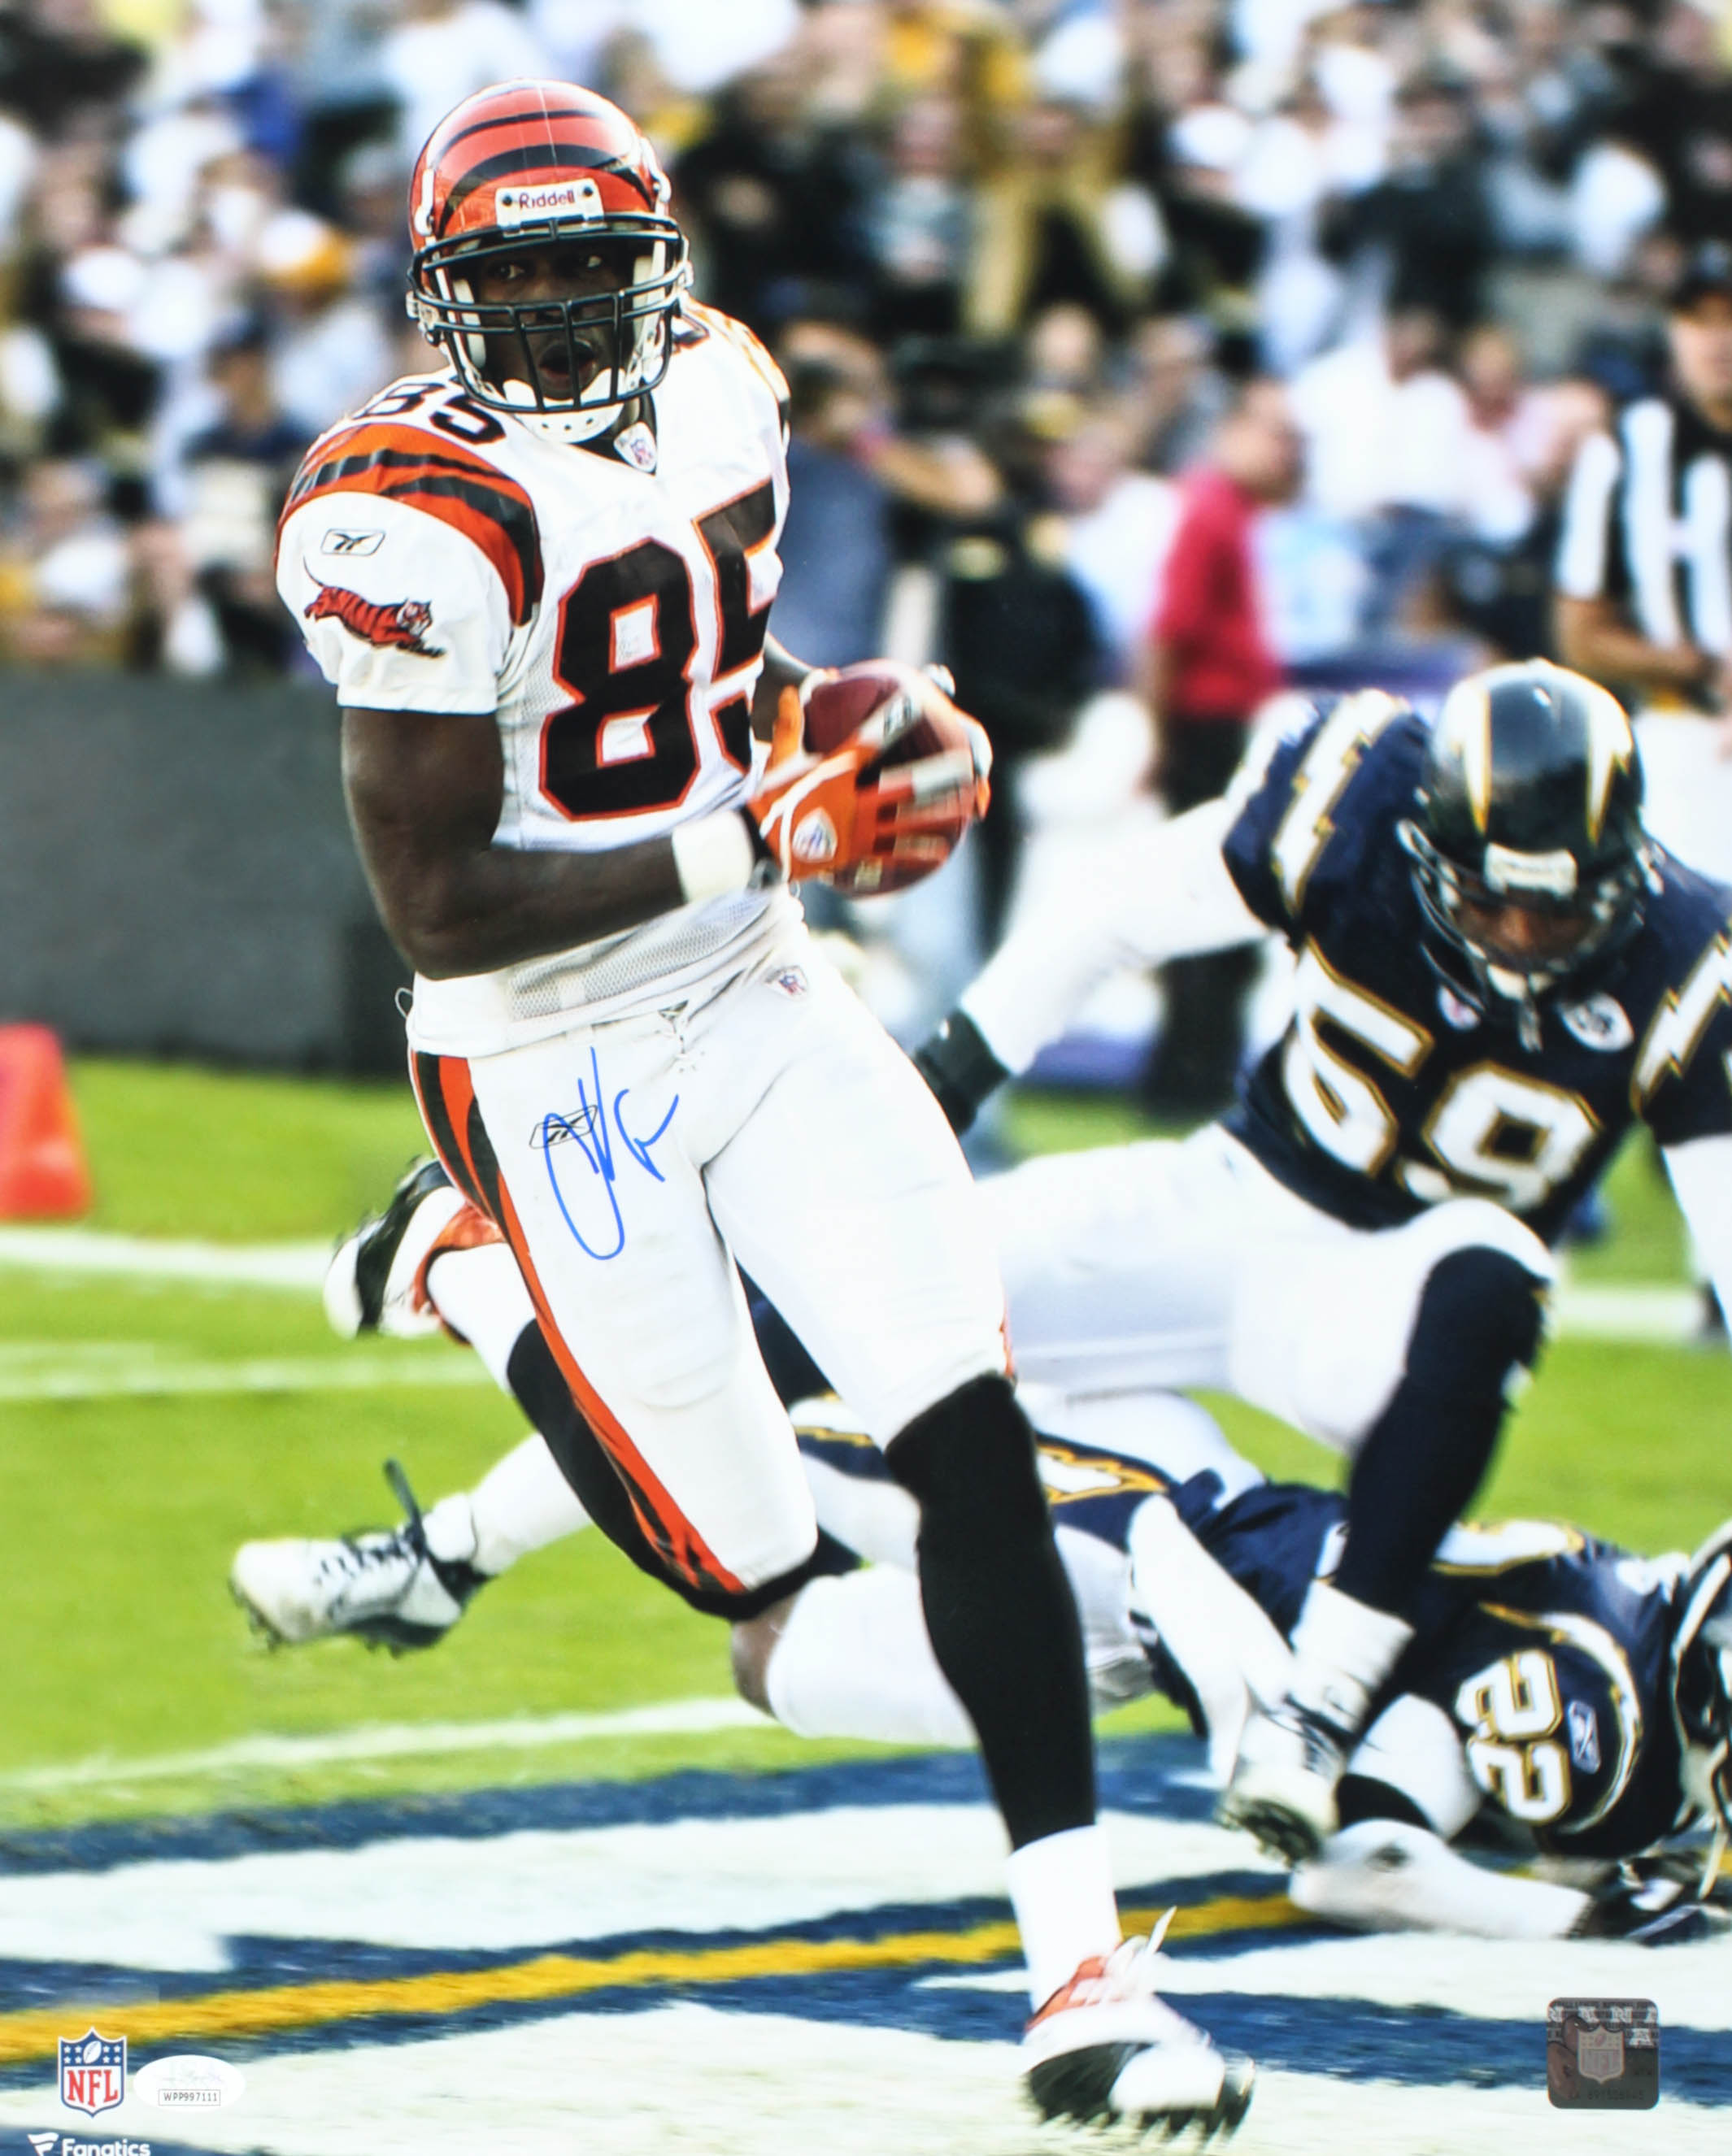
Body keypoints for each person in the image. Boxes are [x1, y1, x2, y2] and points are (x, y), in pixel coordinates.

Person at [270, 80, 1251, 2137]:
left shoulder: (721, 388)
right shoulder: (400, 510)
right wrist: (765, 830)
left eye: (586, 273)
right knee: (745, 1567)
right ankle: (466, 1268)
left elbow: (710, 665)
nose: (555, 317)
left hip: (757, 990)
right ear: (443, 296)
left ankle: (1081, 1980)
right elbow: (438, 900)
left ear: (658, 272)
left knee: (966, 1434)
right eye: (514, 282)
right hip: (545, 1052)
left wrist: (844, 723)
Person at [233, 1202, 1732, 1950]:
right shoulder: (1598, 1691)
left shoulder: (1638, 1680)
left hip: (1137, 1635)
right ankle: (466, 1282)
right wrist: (1584, 1927)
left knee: (772, 1652)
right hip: (1154, 1536)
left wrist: (1635, 1882)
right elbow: (1355, 1856)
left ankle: (443, 1551)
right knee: (736, 1412)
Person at [911, 659, 1732, 1868]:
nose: (1519, 937)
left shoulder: (1687, 956)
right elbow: (1119, 912)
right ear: (1432, 847)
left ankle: (1318, 1711)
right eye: (1490, 900)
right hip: (1234, 1200)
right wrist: (944, 1082)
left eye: (1555, 914)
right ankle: (762, 1543)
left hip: (1387, 1307)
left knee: (1493, 1270)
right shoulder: (1357, 797)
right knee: (888, 1287)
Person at [1137, 377, 1299, 1115]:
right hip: (1205, 730)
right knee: (1213, 903)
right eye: (1275, 434)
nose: (1287, 453)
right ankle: (1189, 1078)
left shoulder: (1229, 511)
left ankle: (1193, 1073)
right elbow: (1170, 632)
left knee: (1211, 903)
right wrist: (1160, 737)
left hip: (1212, 727)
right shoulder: (1213, 512)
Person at [1556, 237, 1732, 889]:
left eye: (1730, 317)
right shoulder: (1627, 450)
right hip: (1685, 736)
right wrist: (1700, 667)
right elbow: (1580, 633)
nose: (1717, 338)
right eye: (1698, 318)